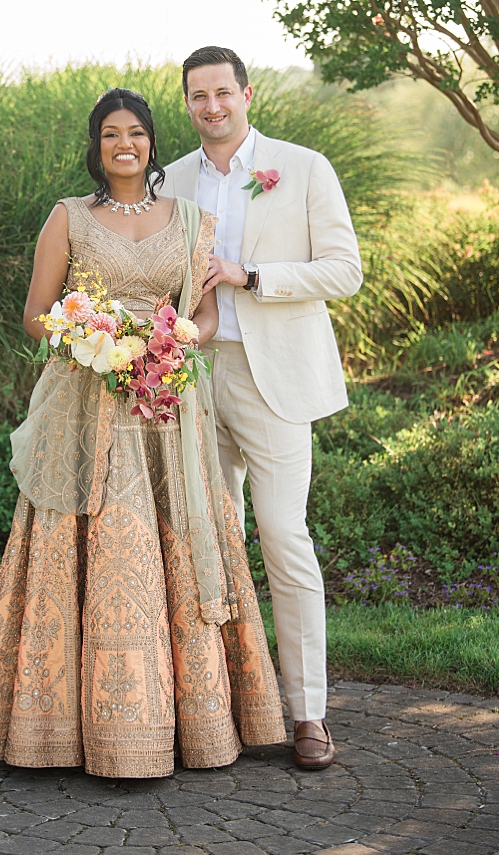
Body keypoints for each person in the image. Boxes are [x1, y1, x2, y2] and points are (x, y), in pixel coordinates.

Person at [0, 88, 285, 778]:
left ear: (152, 143)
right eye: (111, 134)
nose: (124, 144)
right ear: (96, 145)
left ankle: (189, 720)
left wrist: (172, 342)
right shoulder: (68, 217)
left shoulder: (190, 219)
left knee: (170, 544)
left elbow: (208, 314)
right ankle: (62, 725)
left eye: (135, 132)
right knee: (84, 543)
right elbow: (35, 313)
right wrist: (89, 337)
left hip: (167, 407)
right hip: (87, 401)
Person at [162, 46, 363, 770]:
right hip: (190, 378)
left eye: (222, 92)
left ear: (247, 94)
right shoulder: (171, 178)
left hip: (274, 378)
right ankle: (220, 705)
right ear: (187, 103)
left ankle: (308, 713)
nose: (211, 106)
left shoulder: (304, 166)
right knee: (205, 541)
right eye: (197, 96)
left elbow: (345, 270)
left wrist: (249, 275)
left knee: (283, 537)